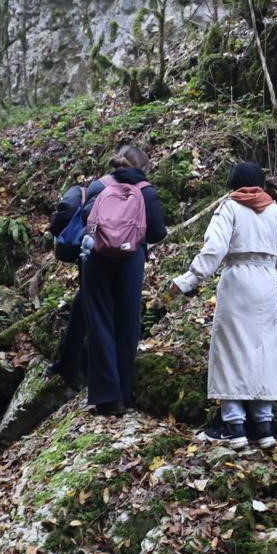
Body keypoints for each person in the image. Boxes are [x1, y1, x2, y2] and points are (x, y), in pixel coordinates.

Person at [166, 162, 277, 449]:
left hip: (238, 280)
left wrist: (187, 280)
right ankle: (264, 425)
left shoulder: (230, 207)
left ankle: (233, 426)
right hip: (267, 282)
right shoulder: (274, 210)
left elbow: (214, 249)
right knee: (264, 349)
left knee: (231, 348)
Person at [79, 145, 166, 416]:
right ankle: (125, 394)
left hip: (97, 258)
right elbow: (157, 232)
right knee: (128, 325)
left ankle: (107, 397)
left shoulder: (98, 185)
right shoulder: (146, 191)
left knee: (100, 322)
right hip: (130, 261)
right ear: (142, 166)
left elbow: (86, 219)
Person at [45, 176, 108, 389]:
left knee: (83, 303)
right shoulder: (106, 193)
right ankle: (81, 365)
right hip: (94, 253)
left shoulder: (83, 192)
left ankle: (67, 363)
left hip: (84, 253)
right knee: (89, 306)